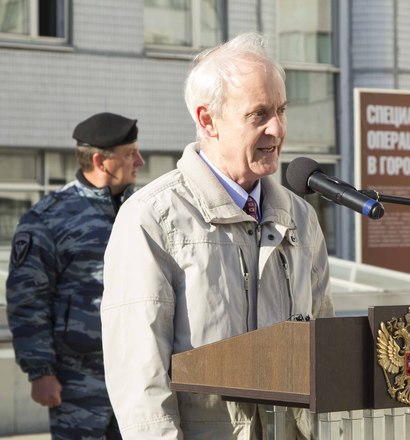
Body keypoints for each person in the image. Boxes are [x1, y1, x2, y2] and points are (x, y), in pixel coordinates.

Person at [100, 32, 335, 439]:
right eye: (259, 114)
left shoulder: (300, 217)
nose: (277, 128)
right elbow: (140, 376)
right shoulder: (153, 217)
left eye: (281, 110)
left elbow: (325, 346)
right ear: (208, 120)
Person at [6, 112, 145, 439]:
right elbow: (28, 299)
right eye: (130, 154)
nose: (139, 161)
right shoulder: (48, 218)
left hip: (138, 374)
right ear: (100, 161)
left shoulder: (143, 210)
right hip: (78, 380)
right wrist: (40, 371)